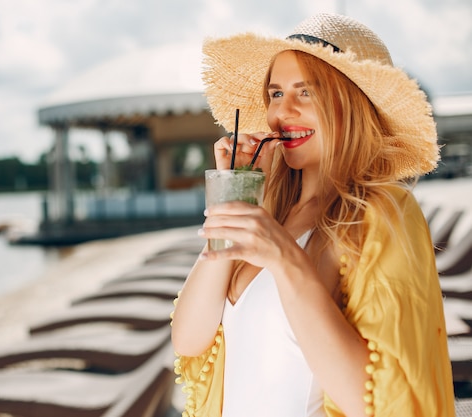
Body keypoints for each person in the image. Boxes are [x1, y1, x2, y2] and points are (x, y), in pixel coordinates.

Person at [170, 13, 455, 417]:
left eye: (306, 93)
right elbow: (188, 339)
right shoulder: (272, 211)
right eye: (274, 94)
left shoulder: (382, 214)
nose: (282, 112)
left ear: (350, 103)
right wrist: (232, 199)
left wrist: (286, 260)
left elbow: (374, 400)